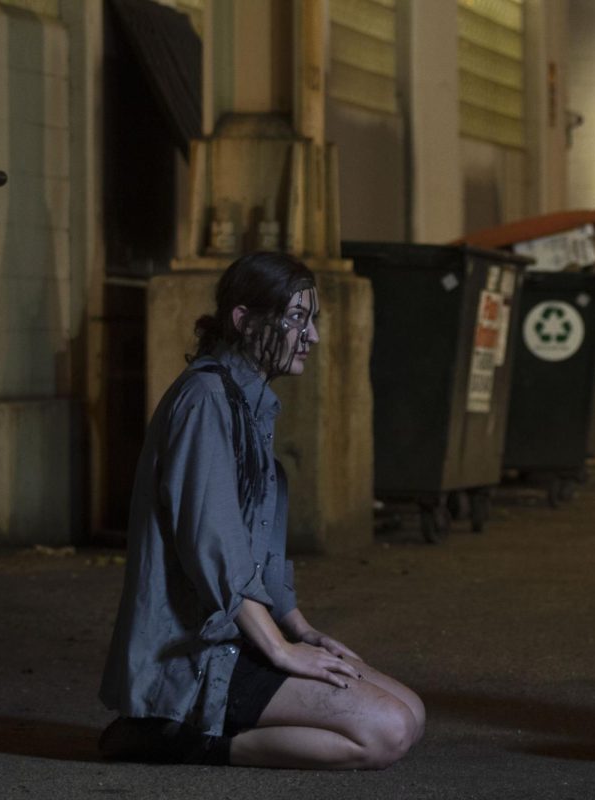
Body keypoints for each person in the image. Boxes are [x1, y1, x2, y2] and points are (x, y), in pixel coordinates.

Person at [98, 251, 425, 769]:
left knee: (413, 711)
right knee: (386, 731)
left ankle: (212, 717)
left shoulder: (249, 404)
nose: (311, 336)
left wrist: (299, 628)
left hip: (244, 633)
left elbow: (255, 547)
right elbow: (215, 545)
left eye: (311, 319)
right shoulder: (205, 399)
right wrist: (279, 651)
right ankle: (180, 738)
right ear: (243, 320)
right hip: (200, 654)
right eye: (297, 318)